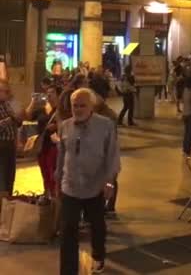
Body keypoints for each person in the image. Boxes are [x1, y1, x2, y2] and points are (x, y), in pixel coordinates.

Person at [55, 88, 121, 274]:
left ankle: (98, 255)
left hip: (95, 187)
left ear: (91, 106)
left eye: (82, 105)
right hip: (70, 186)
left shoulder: (105, 125)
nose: (78, 109)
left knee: (97, 226)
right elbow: (62, 155)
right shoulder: (65, 126)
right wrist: (58, 177)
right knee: (67, 231)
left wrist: (109, 181)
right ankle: (68, 270)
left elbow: (112, 155)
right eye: (75, 105)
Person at [25, 85, 62, 197]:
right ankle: (47, 195)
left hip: (53, 145)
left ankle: (54, 197)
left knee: (52, 174)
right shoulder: (41, 109)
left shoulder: (60, 110)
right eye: (47, 93)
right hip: (42, 145)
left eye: (52, 92)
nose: (49, 95)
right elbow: (27, 116)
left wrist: (56, 126)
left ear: (58, 95)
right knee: (44, 172)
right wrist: (33, 101)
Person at [0, 80, 22, 194]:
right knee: (2, 178)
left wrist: (18, 119)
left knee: (10, 176)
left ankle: (8, 201)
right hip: (1, 145)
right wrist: (10, 120)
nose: (6, 94)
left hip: (10, 144)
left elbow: (15, 121)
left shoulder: (7, 104)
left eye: (7, 91)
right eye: (4, 91)